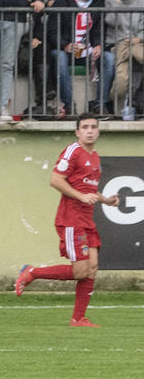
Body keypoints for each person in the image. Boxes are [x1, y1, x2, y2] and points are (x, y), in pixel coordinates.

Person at [14, 115, 120, 327]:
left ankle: (78, 318)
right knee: (81, 270)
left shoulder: (95, 157)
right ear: (77, 132)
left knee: (93, 267)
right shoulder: (73, 151)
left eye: (93, 127)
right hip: (71, 219)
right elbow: (55, 180)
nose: (90, 131)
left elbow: (88, 189)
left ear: (98, 131)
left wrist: (105, 200)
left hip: (87, 219)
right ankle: (32, 272)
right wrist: (81, 197)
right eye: (85, 127)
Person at [45, 0, 110, 116]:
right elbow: (52, 30)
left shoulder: (97, 3)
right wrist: (65, 45)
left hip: (89, 51)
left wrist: (99, 45)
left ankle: (100, 105)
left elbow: (100, 29)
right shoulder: (62, 2)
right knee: (59, 57)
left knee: (109, 59)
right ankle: (68, 106)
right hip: (67, 51)